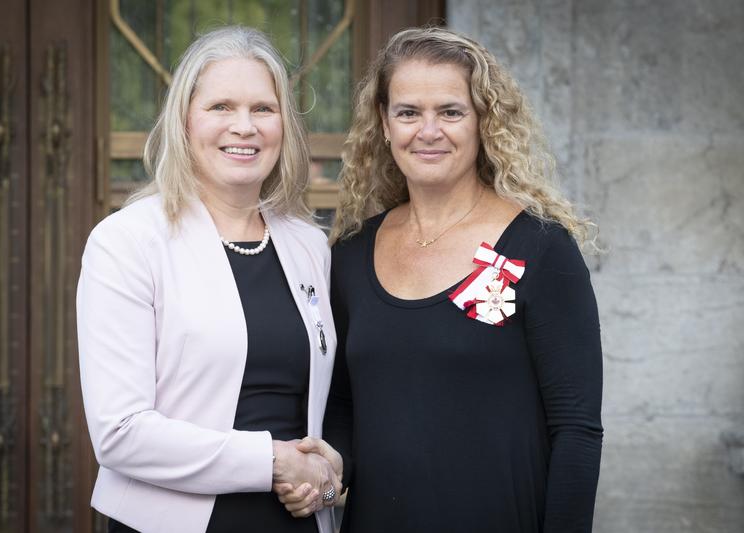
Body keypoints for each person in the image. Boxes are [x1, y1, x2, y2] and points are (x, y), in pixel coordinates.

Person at [281, 27, 604, 532]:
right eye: (408, 112)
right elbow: (343, 403)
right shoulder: (350, 252)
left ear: (484, 123)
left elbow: (577, 429)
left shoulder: (538, 247)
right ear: (384, 126)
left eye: (450, 112)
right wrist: (324, 473)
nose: (428, 131)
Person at [76, 27, 343, 533]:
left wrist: (328, 476)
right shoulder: (128, 242)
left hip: (296, 520)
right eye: (221, 106)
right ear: (184, 120)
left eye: (263, 109)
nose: (244, 127)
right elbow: (120, 433)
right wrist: (270, 460)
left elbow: (323, 410)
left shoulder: (308, 245)